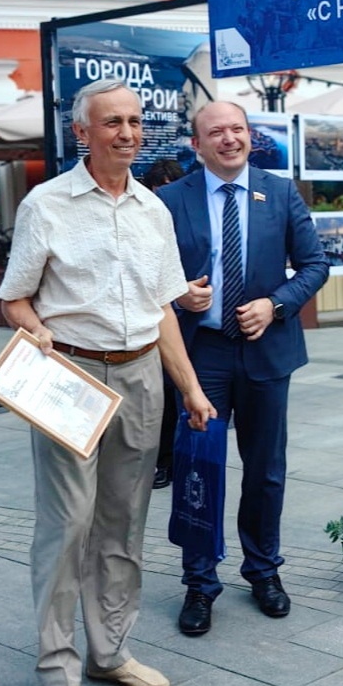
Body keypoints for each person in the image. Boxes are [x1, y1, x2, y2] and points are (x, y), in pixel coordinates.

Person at [0, 79, 215, 686]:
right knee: (68, 524)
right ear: (82, 133)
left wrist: (191, 389)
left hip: (142, 375)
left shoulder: (153, 209)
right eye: (112, 122)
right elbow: (13, 296)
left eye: (133, 120)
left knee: (123, 524)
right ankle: (57, 669)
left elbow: (162, 312)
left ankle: (110, 651)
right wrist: (31, 327)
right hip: (70, 373)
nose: (127, 132)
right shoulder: (46, 204)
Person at [157, 101, 329, 636]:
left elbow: (316, 264)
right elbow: (149, 273)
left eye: (237, 130)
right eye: (216, 132)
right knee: (197, 468)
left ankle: (263, 571)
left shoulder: (279, 192)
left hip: (265, 350)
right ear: (197, 144)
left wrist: (275, 304)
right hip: (200, 353)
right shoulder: (167, 200)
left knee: (265, 470)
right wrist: (178, 293)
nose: (228, 139)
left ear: (250, 137)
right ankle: (199, 583)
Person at [141, 158, 188, 490]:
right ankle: (163, 461)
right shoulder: (144, 217)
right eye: (159, 192)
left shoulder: (187, 215)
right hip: (154, 316)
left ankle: (175, 460)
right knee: (161, 395)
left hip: (186, 314)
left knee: (178, 394)